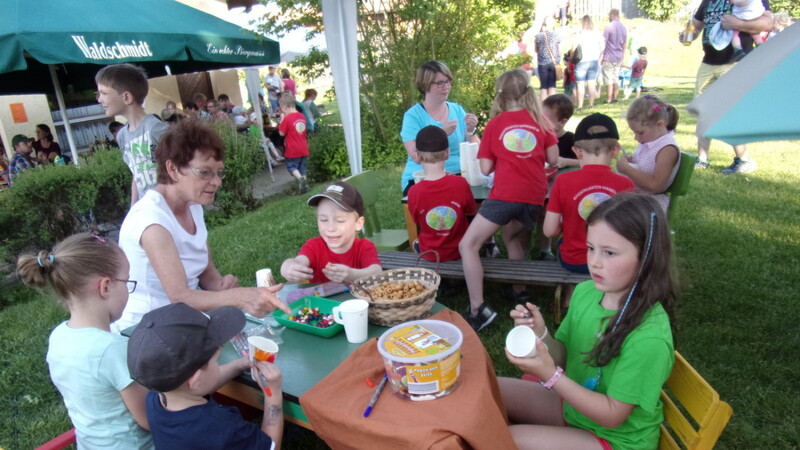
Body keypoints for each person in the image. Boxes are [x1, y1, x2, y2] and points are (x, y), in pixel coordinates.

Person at [500, 193, 676, 450]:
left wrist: (550, 376)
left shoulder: (649, 337)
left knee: (502, 440)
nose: (594, 262)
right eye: (591, 248)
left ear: (646, 258)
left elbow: (612, 415)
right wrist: (541, 334)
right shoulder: (585, 293)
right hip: (575, 409)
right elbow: (562, 356)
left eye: (610, 253)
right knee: (488, 390)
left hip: (615, 439)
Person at [114, 120, 291, 330]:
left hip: (186, 321)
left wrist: (220, 287)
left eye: (218, 172)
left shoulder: (193, 205)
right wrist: (239, 297)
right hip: (149, 330)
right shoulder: (152, 222)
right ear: (173, 169)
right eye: (205, 172)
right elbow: (179, 296)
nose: (217, 181)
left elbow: (206, 272)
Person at [16, 233, 152, 449]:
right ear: (105, 286)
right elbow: (149, 419)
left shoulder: (59, 337)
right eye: (127, 282)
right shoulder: (113, 350)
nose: (128, 289)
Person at [458, 69, 558, 332]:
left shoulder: (495, 125)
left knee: (468, 245)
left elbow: (486, 169)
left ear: (500, 96)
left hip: (505, 195)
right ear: (528, 93)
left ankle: (478, 309)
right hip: (535, 195)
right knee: (514, 238)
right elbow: (554, 159)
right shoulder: (542, 121)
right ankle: (519, 292)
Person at [127, 303, 282, 449]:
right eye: (216, 360)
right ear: (196, 379)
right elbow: (272, 447)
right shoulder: (221, 428)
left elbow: (201, 385)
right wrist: (272, 395)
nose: (218, 364)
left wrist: (238, 365)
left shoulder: (155, 399)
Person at [544, 113, 635, 279]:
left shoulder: (563, 181)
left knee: (562, 243)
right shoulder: (626, 184)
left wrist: (566, 224)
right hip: (611, 262)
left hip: (574, 261)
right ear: (615, 150)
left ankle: (570, 294)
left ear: (577, 151)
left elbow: (549, 231)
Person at [685, 0, 771, 173]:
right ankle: (702, 159)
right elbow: (696, 25)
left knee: (728, 112)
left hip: (735, 61)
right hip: (708, 62)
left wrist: (738, 24)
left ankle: (744, 160)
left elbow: (767, 23)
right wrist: (687, 34)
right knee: (703, 111)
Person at [399, 60, 479, 194]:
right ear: (425, 85)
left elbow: (477, 150)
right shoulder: (413, 116)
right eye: (440, 83)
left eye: (447, 81)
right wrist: (440, 134)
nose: (446, 86)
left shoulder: (457, 110)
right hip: (423, 178)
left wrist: (471, 131)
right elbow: (416, 157)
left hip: (458, 175)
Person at [96, 64, 170, 205]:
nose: (99, 99)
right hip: (148, 209)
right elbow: (136, 174)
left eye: (104, 93)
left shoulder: (155, 129)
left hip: (169, 209)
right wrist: (134, 208)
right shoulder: (122, 136)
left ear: (126, 97)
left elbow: (183, 166)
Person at [281, 182, 382, 284]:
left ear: (358, 223)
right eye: (324, 220)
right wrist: (287, 267)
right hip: (320, 299)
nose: (330, 228)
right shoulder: (314, 247)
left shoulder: (364, 247)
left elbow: (377, 272)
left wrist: (350, 274)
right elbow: (298, 261)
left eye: (340, 220)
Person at [407, 125, 477, 262]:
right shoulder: (460, 183)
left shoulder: (414, 191)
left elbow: (416, 220)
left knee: (416, 242)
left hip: (430, 253)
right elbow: (471, 210)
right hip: (460, 250)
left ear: (418, 155)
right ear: (447, 153)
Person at [616, 96, 681, 213]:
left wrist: (626, 169)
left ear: (660, 124)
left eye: (640, 132)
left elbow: (655, 185)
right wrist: (632, 162)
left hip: (650, 205)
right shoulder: (650, 140)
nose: (636, 138)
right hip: (634, 198)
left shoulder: (667, 149)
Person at [278, 92, 310, 194]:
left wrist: (282, 119)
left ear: (284, 107)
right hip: (303, 146)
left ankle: (300, 179)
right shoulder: (301, 116)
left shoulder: (287, 118)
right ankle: (305, 185)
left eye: (281, 108)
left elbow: (281, 133)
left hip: (292, 148)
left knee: (292, 166)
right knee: (302, 167)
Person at [572, 15, 604, 109]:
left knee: (580, 84)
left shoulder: (580, 34)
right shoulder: (596, 34)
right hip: (593, 60)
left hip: (582, 60)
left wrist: (571, 56)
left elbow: (574, 47)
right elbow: (601, 48)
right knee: (591, 82)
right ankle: (591, 104)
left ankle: (580, 105)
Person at [600, 9, 628, 104]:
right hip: (619, 56)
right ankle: (615, 97)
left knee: (608, 79)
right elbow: (625, 44)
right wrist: (623, 56)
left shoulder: (609, 26)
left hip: (609, 56)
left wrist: (601, 56)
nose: (609, 17)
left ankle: (608, 99)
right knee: (616, 77)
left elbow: (603, 42)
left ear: (612, 14)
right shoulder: (624, 28)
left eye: (609, 15)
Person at [534, 16, 561, 101]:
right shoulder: (556, 35)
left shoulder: (539, 36)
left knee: (543, 86)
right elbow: (559, 49)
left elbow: (536, 49)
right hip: (554, 62)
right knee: (552, 85)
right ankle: (552, 103)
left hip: (542, 63)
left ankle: (543, 106)